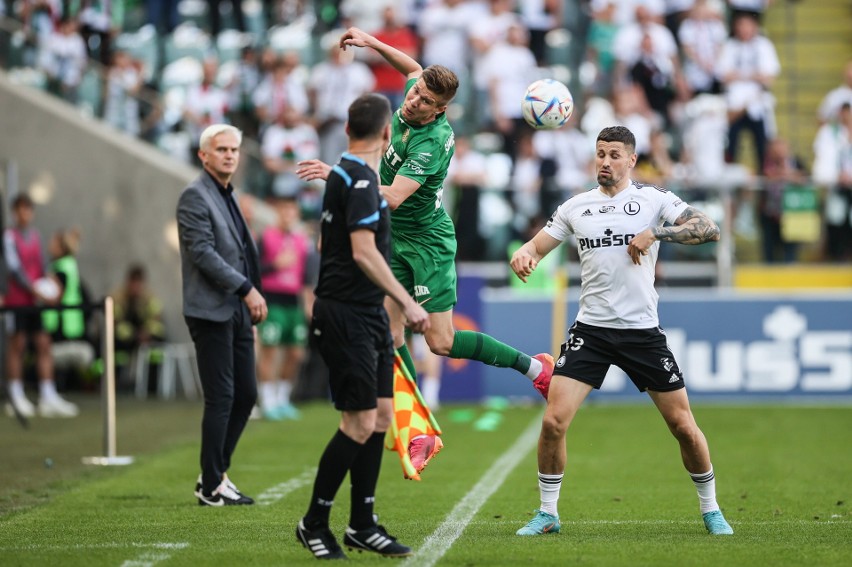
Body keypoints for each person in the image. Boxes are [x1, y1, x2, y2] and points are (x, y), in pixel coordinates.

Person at [297, 27, 554, 473]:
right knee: (390, 336)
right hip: (391, 237)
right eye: (414, 94)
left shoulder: (432, 142)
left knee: (440, 341)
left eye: (423, 101)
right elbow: (414, 68)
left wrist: (338, 176)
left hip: (427, 242)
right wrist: (373, 44)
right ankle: (419, 432)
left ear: (442, 110)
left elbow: (393, 196)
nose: (413, 100)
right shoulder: (415, 93)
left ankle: (534, 369)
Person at [510, 126, 734, 537]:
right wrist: (523, 254)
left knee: (683, 426)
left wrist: (658, 232)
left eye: (614, 154)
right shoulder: (576, 207)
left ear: (631, 160)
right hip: (591, 330)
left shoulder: (654, 200)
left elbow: (709, 228)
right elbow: (536, 247)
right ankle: (547, 513)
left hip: (641, 332)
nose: (606, 162)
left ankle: (711, 508)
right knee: (553, 422)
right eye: (600, 154)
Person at [295, 93, 430, 560]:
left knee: (381, 417)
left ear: (349, 130)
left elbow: (323, 241)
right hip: (346, 313)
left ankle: (362, 524)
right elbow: (363, 251)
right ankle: (313, 522)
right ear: (387, 133)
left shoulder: (350, 175)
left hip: (366, 312)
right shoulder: (358, 182)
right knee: (356, 423)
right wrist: (405, 301)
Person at [177, 124, 268, 506]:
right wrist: (247, 289)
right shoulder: (194, 196)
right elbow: (203, 253)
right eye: (222, 149)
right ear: (204, 155)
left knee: (246, 394)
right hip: (211, 310)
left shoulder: (227, 193)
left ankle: (214, 475)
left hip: (235, 311)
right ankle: (212, 483)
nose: (230, 155)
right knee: (222, 397)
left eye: (234, 149)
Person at [4, 194, 78, 418]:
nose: (24, 214)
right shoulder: (9, 236)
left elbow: (42, 265)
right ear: (15, 213)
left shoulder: (35, 236)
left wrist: (50, 286)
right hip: (17, 300)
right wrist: (36, 290)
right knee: (17, 346)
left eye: (28, 209)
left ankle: (48, 394)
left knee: (43, 343)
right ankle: (15, 395)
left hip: (35, 302)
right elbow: (14, 269)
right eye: (20, 210)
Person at [255, 195, 311, 420]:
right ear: (277, 212)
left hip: (293, 302)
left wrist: (308, 302)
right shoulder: (266, 237)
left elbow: (306, 275)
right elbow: (254, 269)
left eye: (292, 211)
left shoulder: (300, 241)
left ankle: (282, 398)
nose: (288, 215)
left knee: (296, 353)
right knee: (270, 351)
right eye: (284, 210)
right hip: (273, 300)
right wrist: (274, 265)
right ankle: (268, 401)